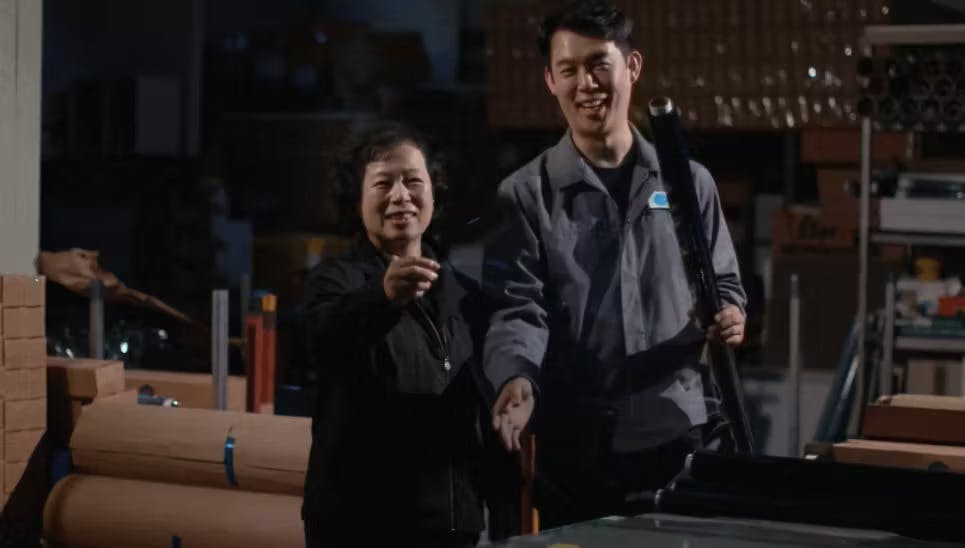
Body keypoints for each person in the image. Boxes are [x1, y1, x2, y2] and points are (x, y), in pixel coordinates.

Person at [482, 0, 748, 529]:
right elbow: (518, 308)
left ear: (633, 66)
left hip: (678, 433)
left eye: (599, 64)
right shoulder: (526, 196)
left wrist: (732, 314)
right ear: (550, 81)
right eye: (568, 70)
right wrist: (516, 377)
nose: (586, 84)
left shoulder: (688, 183)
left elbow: (724, 283)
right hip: (578, 448)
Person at [301, 122, 485, 547]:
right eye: (383, 183)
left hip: (451, 526)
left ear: (433, 194)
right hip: (360, 526)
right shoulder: (335, 282)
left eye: (413, 181)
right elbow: (322, 341)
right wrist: (383, 297)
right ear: (357, 201)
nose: (401, 195)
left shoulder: (464, 294)